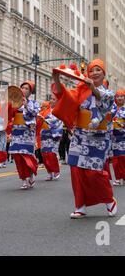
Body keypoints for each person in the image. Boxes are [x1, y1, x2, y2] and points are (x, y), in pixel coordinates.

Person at [52, 59, 117, 218]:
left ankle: (109, 200)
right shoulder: (81, 90)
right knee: (76, 170)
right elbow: (64, 96)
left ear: (103, 73)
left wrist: (92, 87)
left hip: (99, 137)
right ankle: (80, 206)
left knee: (94, 172)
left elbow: (103, 100)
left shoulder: (108, 92)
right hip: (80, 135)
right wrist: (56, 78)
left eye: (98, 70)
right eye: (91, 70)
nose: (94, 73)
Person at [9, 81, 40, 190]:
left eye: (26, 88)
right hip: (17, 132)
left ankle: (30, 174)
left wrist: (26, 105)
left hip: (27, 133)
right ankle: (24, 179)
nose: (23, 90)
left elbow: (35, 113)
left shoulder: (34, 103)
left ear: (30, 92)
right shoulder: (14, 102)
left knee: (27, 156)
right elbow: (7, 115)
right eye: (22, 87)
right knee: (18, 157)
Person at [39, 95, 63, 181]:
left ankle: (56, 170)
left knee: (51, 153)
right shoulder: (45, 111)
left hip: (54, 135)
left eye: (54, 99)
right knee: (45, 154)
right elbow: (38, 119)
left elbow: (57, 122)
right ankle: (49, 172)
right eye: (51, 99)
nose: (51, 101)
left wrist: (45, 120)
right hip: (45, 134)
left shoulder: (60, 111)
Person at [111, 89, 125, 186]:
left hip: (123, 137)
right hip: (113, 138)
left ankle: (123, 177)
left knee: (123, 158)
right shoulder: (112, 109)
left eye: (121, 96)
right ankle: (118, 178)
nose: (119, 98)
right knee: (116, 159)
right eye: (118, 96)